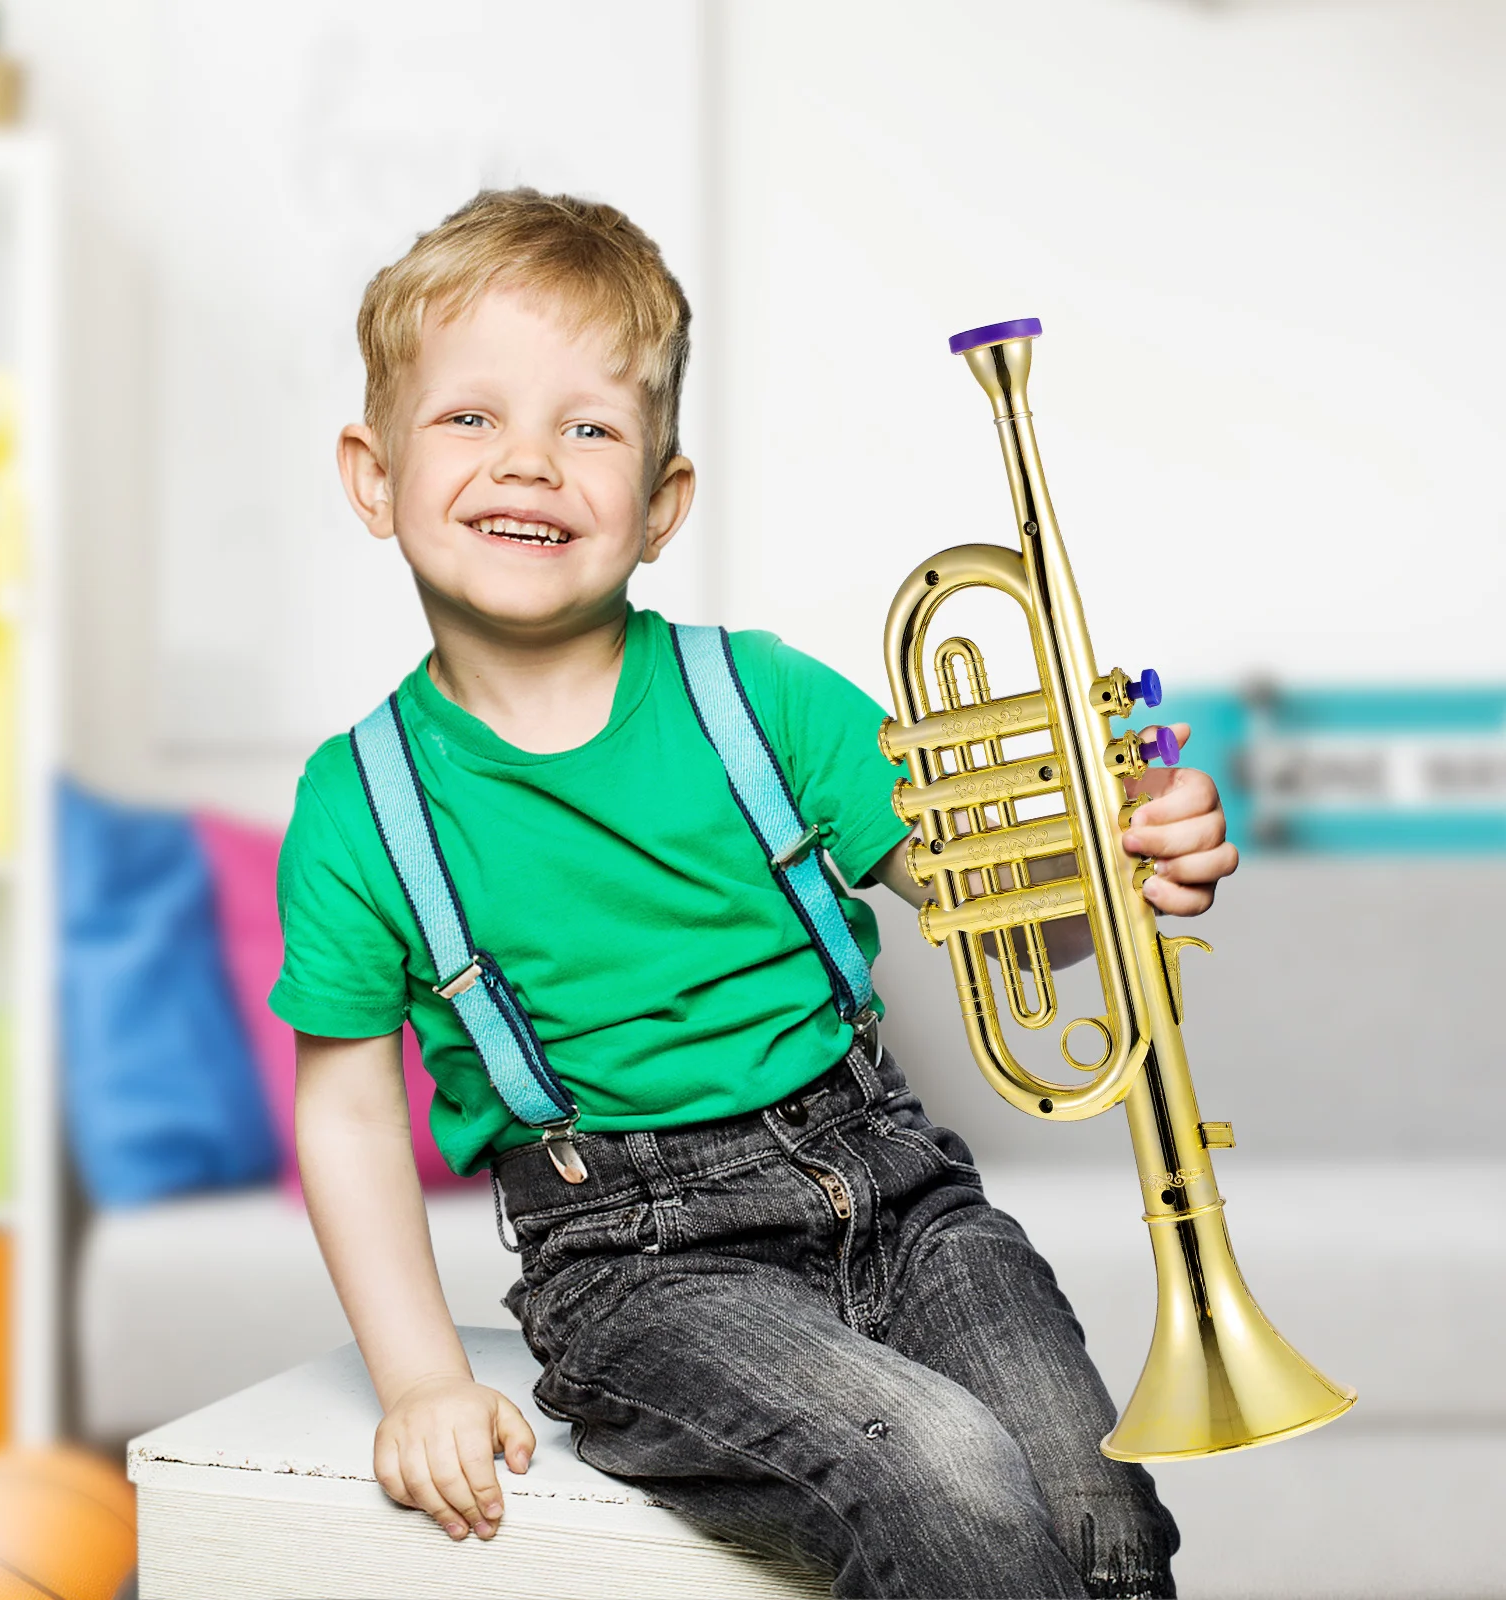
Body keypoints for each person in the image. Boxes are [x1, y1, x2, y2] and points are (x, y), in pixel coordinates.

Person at [269, 188, 1238, 1600]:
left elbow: (984, 900)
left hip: (901, 1195)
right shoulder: (357, 804)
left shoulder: (761, 698)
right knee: (944, 1473)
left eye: (588, 426)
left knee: (1092, 1500)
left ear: (661, 505)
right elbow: (348, 1108)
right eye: (471, 419)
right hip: (641, 1267)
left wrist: (1120, 861)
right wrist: (418, 1377)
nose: (529, 462)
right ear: (374, 475)